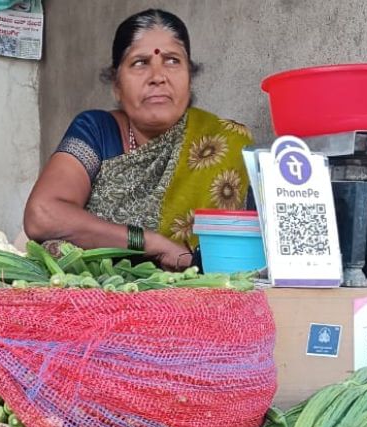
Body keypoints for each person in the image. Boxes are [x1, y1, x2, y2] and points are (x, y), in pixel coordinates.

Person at [23, 8, 253, 270]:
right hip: (96, 298)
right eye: (140, 62)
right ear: (116, 85)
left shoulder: (227, 143)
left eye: (172, 60)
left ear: (190, 79)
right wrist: (152, 242)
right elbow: (42, 215)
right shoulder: (96, 131)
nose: (158, 77)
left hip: (198, 301)